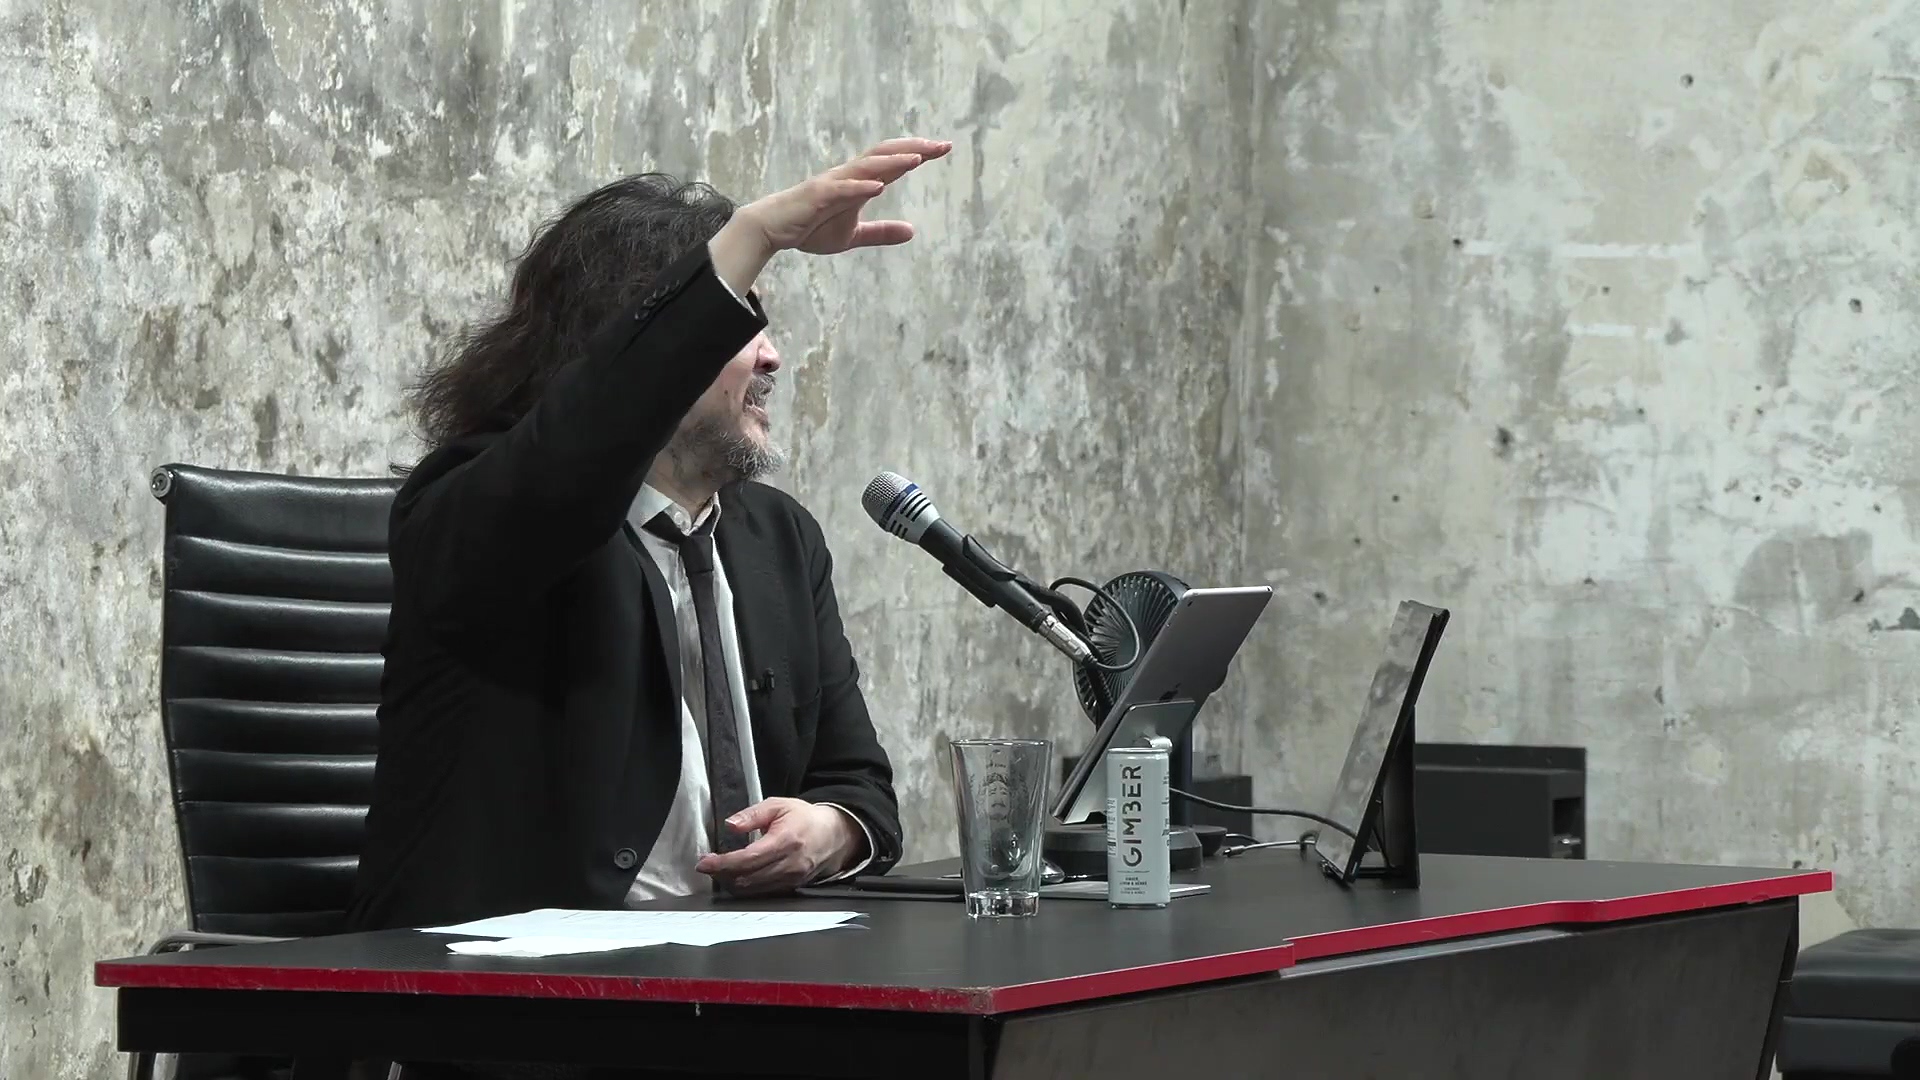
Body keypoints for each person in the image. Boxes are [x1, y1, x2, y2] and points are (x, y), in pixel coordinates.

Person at [347, 137, 952, 933]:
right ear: (635, 346)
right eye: (740, 320)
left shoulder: (780, 540)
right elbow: (581, 444)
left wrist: (829, 831)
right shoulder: (486, 512)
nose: (773, 355)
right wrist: (750, 235)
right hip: (508, 989)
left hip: (742, 972)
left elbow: (860, 787)